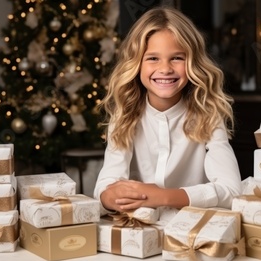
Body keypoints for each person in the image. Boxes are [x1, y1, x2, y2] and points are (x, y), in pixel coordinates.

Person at [93, 6, 242, 215]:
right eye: (153, 58)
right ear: (136, 64)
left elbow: (232, 190)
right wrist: (108, 196)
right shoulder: (124, 117)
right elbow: (106, 185)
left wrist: (162, 196)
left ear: (193, 63)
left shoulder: (208, 116)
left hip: (193, 232)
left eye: (177, 58)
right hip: (140, 233)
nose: (165, 69)